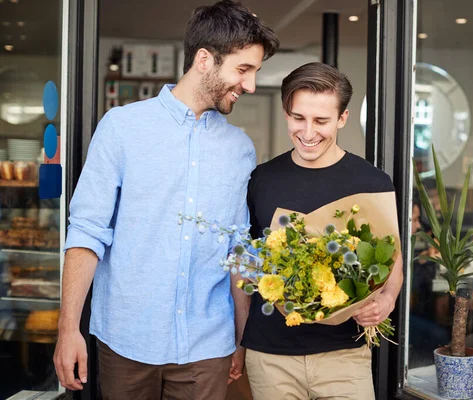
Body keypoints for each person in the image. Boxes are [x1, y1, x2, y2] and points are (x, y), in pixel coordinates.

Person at [52, 1, 278, 399]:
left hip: (207, 346)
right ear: (204, 59)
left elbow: (238, 249)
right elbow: (87, 232)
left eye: (255, 72)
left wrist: (242, 338)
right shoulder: (122, 128)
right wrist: (68, 329)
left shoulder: (241, 149)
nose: (251, 85)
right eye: (243, 70)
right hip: (125, 338)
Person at [237, 62, 404, 400]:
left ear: (342, 118)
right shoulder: (261, 180)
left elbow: (393, 266)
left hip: (345, 355)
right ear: (286, 113)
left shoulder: (372, 183)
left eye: (321, 121)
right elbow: (243, 269)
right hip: (270, 356)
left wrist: (385, 301)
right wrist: (239, 343)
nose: (308, 132)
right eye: (298, 118)